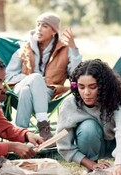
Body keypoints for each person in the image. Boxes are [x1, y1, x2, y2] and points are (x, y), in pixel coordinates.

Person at [5, 12, 82, 140]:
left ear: (53, 31)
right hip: (18, 88)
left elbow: (76, 75)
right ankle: (43, 123)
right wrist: (30, 78)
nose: (39, 29)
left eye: (45, 26)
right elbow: (8, 77)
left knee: (26, 91)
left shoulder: (65, 49)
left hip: (48, 92)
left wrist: (74, 50)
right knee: (34, 79)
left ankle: (19, 135)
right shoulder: (24, 48)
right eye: (38, 24)